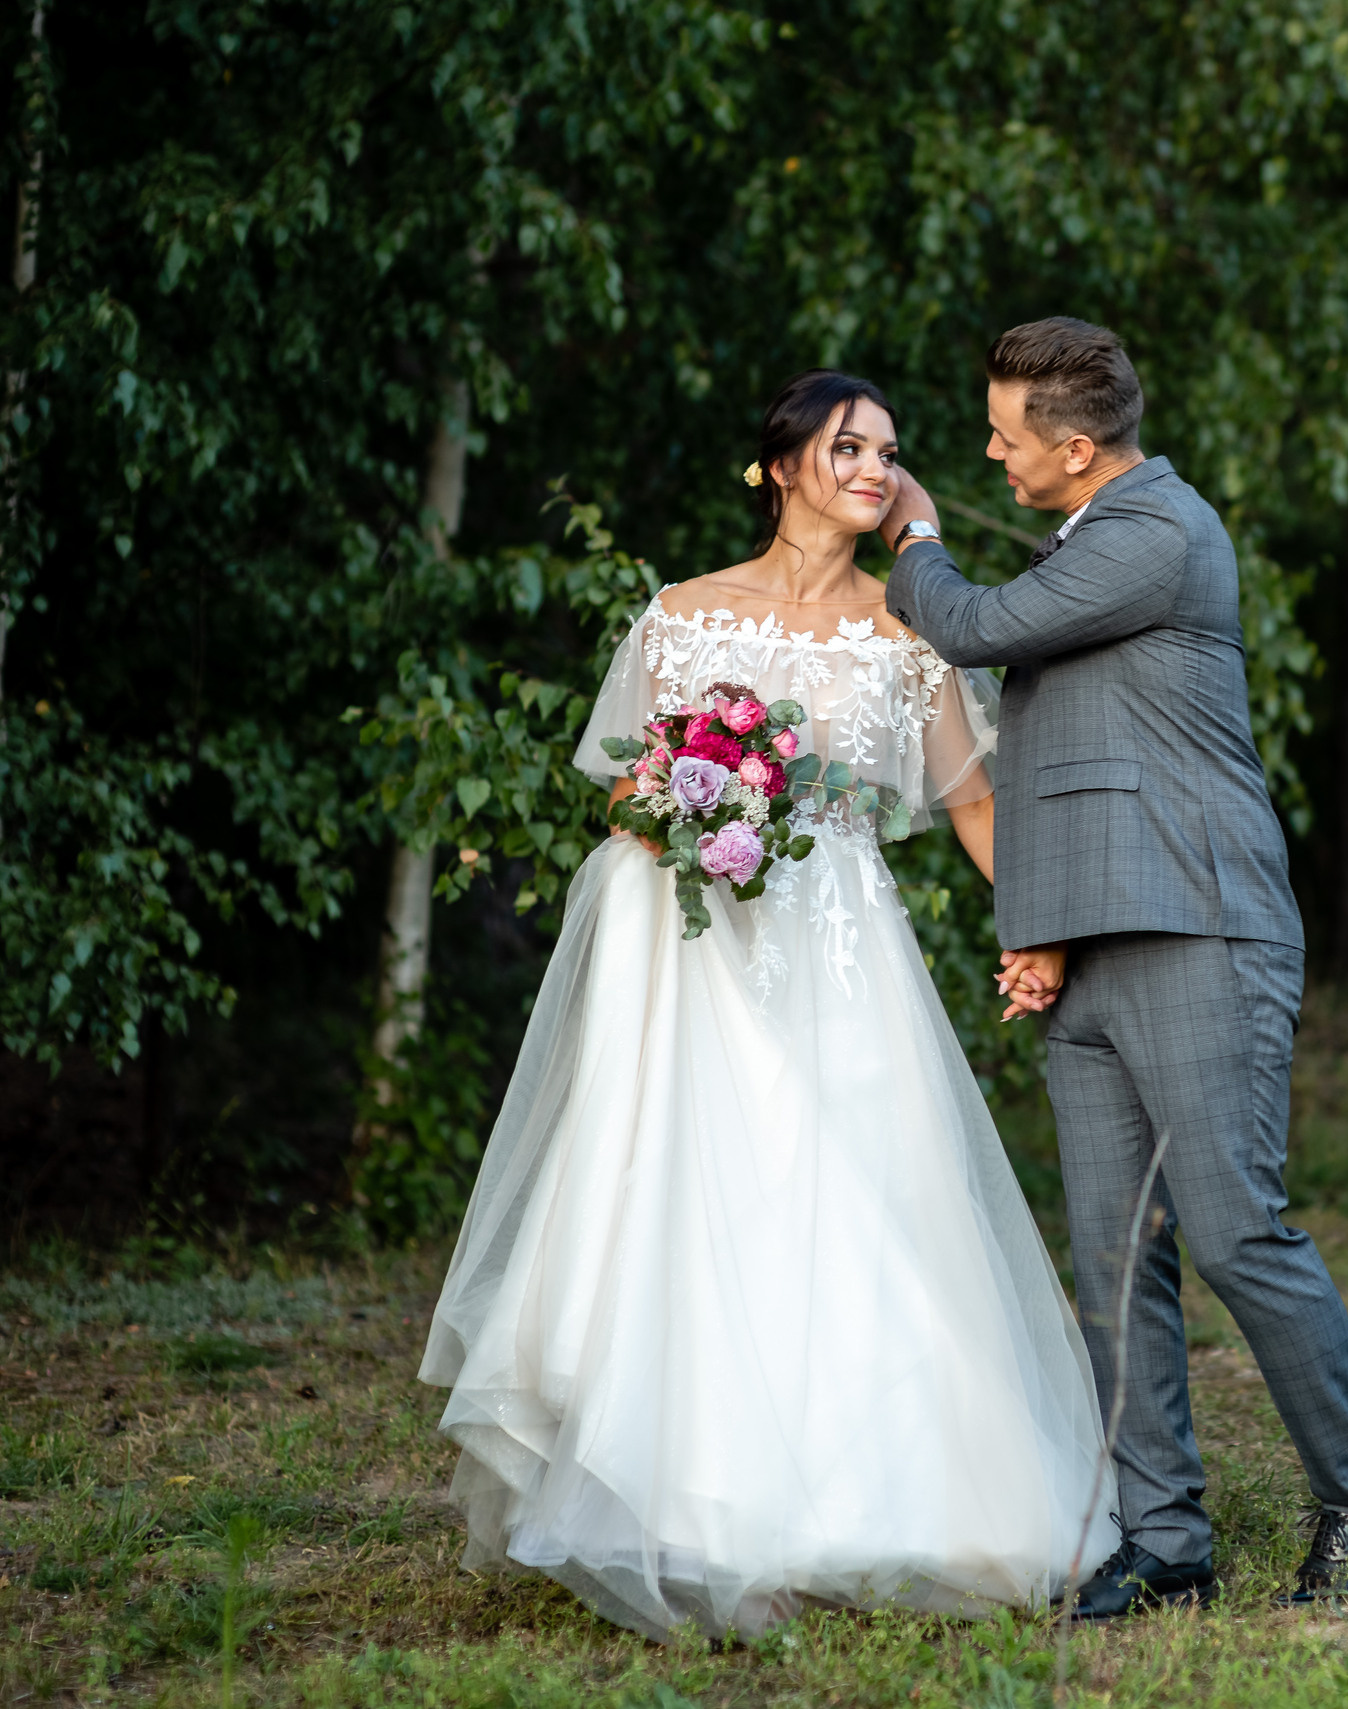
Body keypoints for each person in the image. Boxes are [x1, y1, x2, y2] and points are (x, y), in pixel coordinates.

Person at [416, 370, 1117, 1641]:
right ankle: (697, 1503)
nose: (873, 466)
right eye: (849, 445)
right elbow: (624, 787)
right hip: (685, 955)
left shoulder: (907, 634)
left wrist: (1047, 924)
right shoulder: (681, 616)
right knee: (690, 1198)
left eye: (890, 451)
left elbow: (970, 806)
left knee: (841, 1194)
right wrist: (701, 800)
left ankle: (862, 1498)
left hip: (837, 949)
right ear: (782, 463)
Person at [881, 317, 1348, 1617]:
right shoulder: (1094, 538)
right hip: (1093, 943)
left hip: (1199, 926)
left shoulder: (1152, 534)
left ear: (1074, 449)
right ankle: (1165, 1538)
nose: (994, 454)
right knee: (1114, 1256)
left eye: (1008, 438)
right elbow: (1067, 766)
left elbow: (973, 623)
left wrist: (912, 535)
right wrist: (1038, 931)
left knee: (1235, 1228)